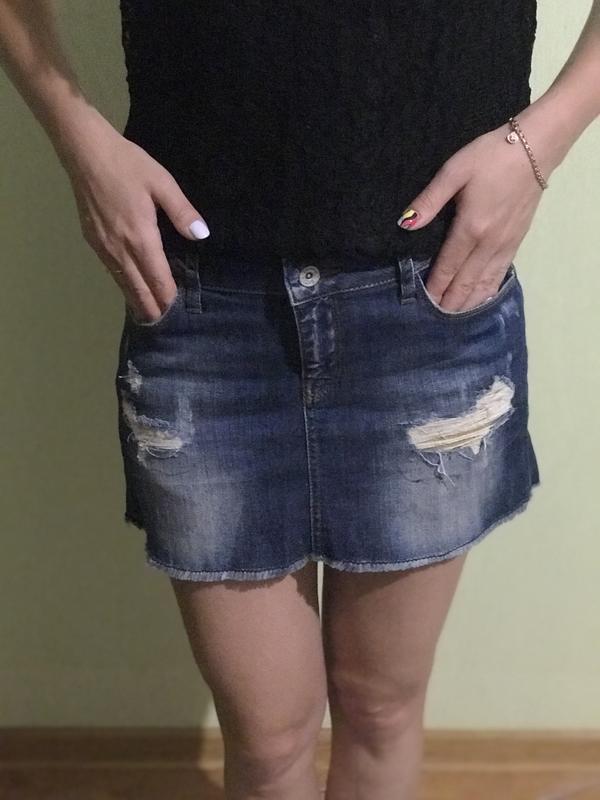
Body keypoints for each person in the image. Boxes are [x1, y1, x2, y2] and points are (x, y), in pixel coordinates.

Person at [1, 1, 598, 797]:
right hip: (203, 307)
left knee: (381, 706)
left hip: (431, 294)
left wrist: (540, 142)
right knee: (268, 737)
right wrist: (80, 142)